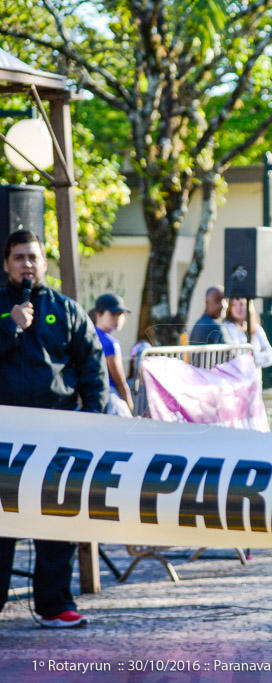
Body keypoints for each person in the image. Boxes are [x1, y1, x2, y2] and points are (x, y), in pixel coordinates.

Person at [0, 230, 107, 629]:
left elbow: (92, 370)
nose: (27, 264)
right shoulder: (0, 308)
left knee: (53, 520)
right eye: (18, 257)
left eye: (33, 257)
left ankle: (53, 604)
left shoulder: (67, 311)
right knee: (2, 523)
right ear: (6, 264)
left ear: (45, 263)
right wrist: (9, 326)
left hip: (54, 434)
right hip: (4, 436)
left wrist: (91, 419)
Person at [91, 293, 134, 416]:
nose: (118, 318)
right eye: (113, 314)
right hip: (109, 400)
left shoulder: (87, 335)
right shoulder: (110, 343)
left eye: (120, 314)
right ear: (99, 315)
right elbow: (119, 381)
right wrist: (130, 406)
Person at [224, 297, 272, 368]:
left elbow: (270, 356)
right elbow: (236, 356)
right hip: (237, 376)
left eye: (242, 304)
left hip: (254, 376)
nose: (238, 308)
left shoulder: (256, 328)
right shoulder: (227, 327)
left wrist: (253, 358)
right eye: (234, 304)